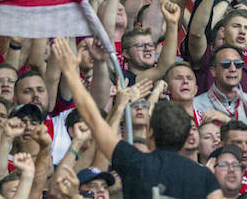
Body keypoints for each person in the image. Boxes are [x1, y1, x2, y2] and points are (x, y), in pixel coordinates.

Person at [53, 38, 219, 199]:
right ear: (185, 137)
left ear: (150, 132)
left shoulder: (134, 161)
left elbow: (94, 119)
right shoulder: (206, 177)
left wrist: (70, 72)